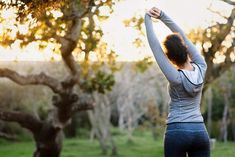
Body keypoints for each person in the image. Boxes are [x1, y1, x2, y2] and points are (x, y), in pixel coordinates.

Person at [144, 7, 210, 157]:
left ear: (170, 59)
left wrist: (147, 18)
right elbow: (184, 37)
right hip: (200, 131)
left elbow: (155, 47)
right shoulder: (202, 67)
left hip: (177, 132)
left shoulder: (175, 77)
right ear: (186, 47)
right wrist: (162, 16)